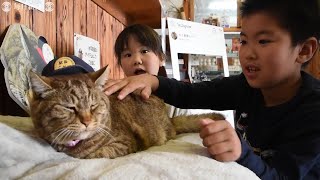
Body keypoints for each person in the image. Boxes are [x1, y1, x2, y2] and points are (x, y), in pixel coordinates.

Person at [105, 0, 320, 179]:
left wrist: (241, 152)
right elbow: (192, 94)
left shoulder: (312, 111)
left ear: (304, 50)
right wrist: (154, 81)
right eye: (243, 41)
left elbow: (282, 177)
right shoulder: (245, 85)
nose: (247, 54)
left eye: (263, 41)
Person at [113, 23, 189, 117]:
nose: (137, 60)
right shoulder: (117, 98)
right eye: (128, 55)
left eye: (144, 51)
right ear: (120, 64)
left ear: (161, 58)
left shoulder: (176, 100)